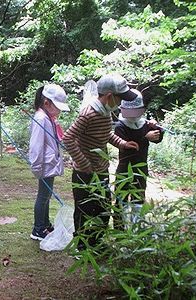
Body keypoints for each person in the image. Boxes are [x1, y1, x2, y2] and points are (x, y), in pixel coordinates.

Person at [62, 73, 139, 250]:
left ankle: (96, 243)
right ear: (110, 96)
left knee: (103, 209)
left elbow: (107, 134)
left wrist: (123, 143)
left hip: (101, 170)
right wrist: (83, 163)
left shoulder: (106, 112)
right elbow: (67, 138)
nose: (122, 103)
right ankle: (82, 246)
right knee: (84, 210)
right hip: (85, 174)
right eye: (120, 99)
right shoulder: (89, 114)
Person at [113, 89, 163, 229]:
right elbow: (126, 146)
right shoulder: (120, 125)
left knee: (138, 200)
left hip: (141, 168)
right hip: (124, 169)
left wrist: (156, 127)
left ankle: (136, 229)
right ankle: (119, 230)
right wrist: (144, 137)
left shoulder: (144, 123)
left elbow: (157, 138)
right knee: (121, 200)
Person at [29, 84, 70, 241]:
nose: (59, 111)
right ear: (46, 103)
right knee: (43, 196)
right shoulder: (41, 118)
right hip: (44, 165)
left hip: (49, 164)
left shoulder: (48, 118)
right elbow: (36, 145)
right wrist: (37, 166)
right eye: (57, 107)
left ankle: (45, 224)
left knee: (46, 196)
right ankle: (38, 228)